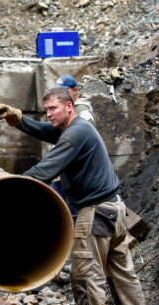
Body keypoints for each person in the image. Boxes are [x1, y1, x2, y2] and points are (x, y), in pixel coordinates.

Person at [0, 87, 151, 305]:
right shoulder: (76, 127)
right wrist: (18, 118)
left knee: (85, 277)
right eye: (47, 109)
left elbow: (45, 169)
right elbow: (43, 131)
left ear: (70, 106)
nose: (49, 114)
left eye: (54, 109)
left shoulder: (73, 136)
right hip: (116, 210)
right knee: (122, 273)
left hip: (95, 213)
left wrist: (7, 187)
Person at [51, 75, 95, 223]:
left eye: (65, 91)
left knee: (73, 217)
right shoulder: (61, 112)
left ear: (74, 90)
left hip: (74, 178)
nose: (60, 95)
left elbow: (81, 141)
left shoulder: (83, 112)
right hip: (60, 176)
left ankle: (74, 246)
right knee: (61, 217)